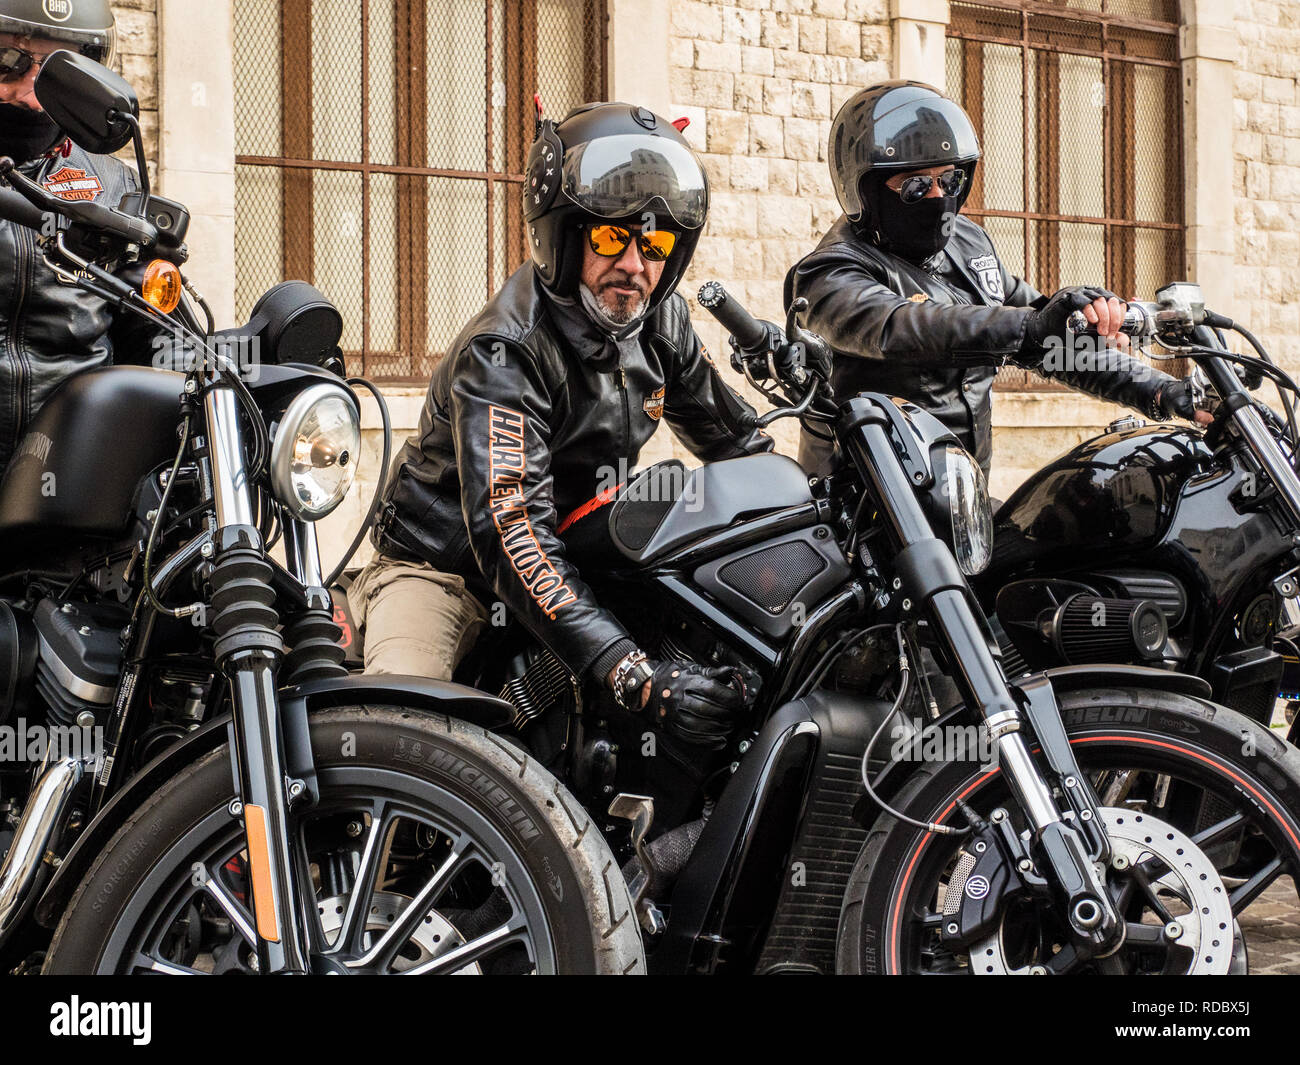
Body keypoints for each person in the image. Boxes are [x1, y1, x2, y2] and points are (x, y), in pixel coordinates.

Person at [355, 101, 771, 748]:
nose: (635, 263)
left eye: (655, 241)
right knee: (405, 738)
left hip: (579, 553)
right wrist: (634, 674)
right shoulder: (507, 349)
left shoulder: (663, 326)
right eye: (611, 236)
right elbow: (510, 525)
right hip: (443, 568)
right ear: (566, 235)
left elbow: (739, 444)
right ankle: (384, 845)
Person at [786, 80, 1210, 478]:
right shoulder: (827, 274)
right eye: (915, 186)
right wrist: (1027, 326)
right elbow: (900, 327)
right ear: (869, 191)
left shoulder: (969, 244)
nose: (938, 196)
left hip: (959, 497)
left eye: (949, 179)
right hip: (864, 507)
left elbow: (1050, 342)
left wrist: (1162, 392)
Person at [0, 0, 157, 471]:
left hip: (75, 469)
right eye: (8, 62)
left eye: (56, 73)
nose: (31, 95)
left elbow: (144, 336)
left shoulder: (115, 184)